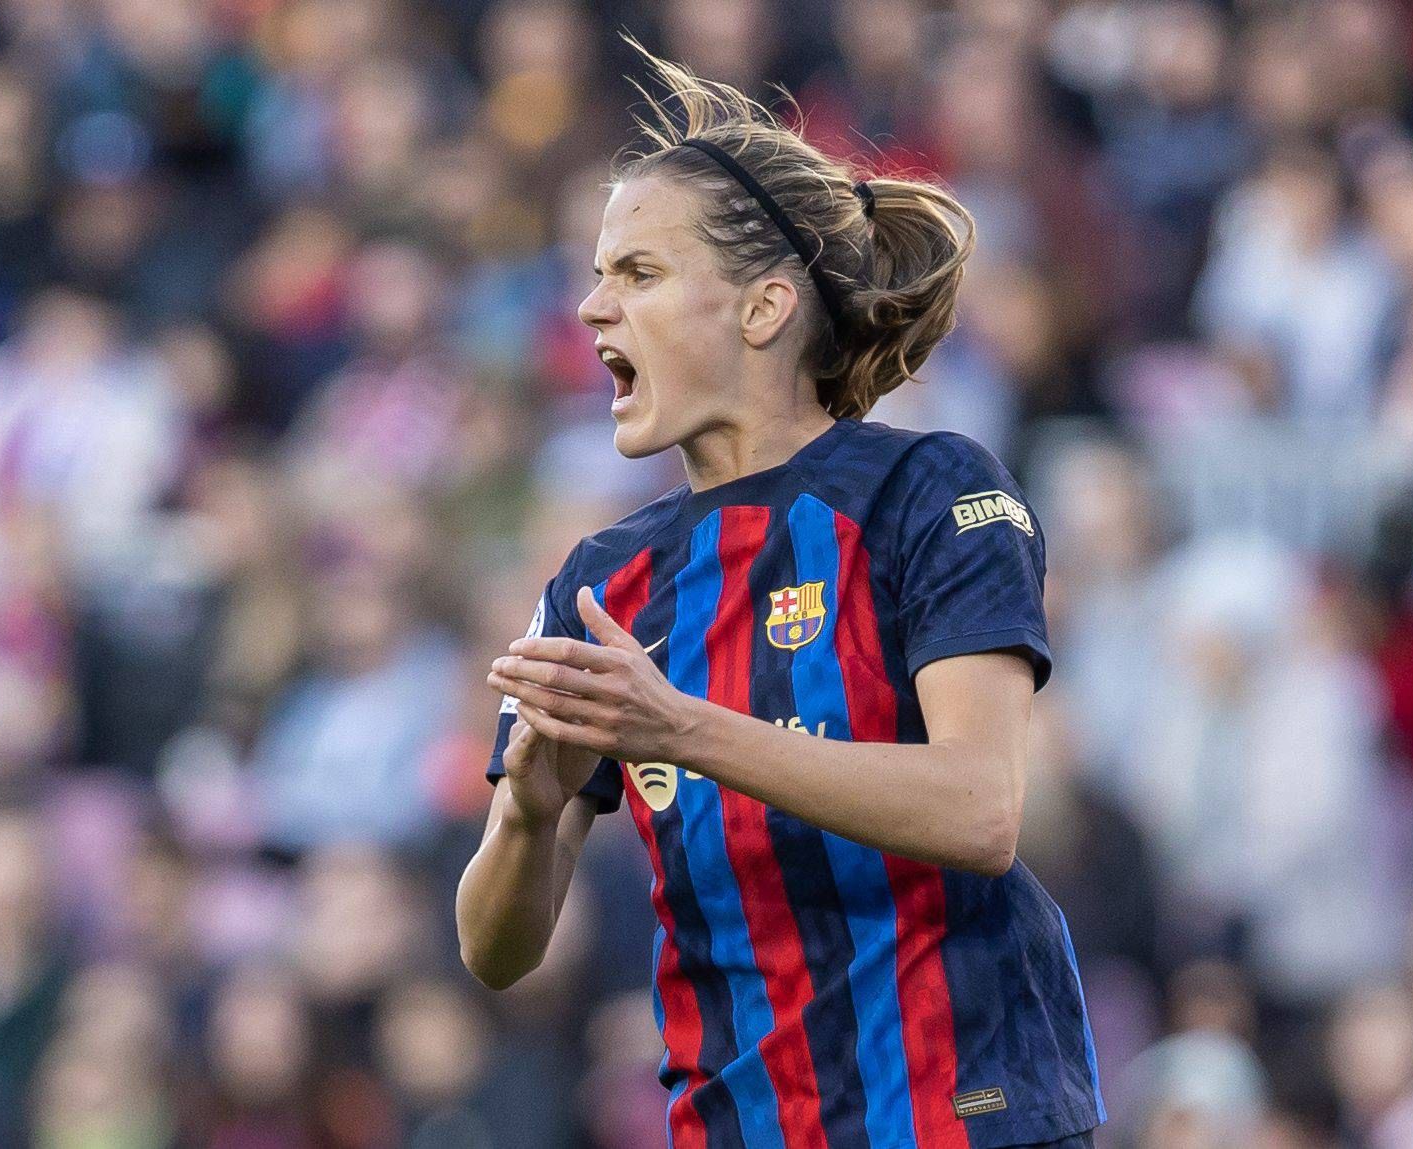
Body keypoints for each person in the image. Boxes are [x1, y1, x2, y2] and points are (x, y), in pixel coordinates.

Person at [455, 43, 1104, 1149]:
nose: (589, 307)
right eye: (594, 272)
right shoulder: (599, 581)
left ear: (762, 309)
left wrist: (678, 729)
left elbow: (978, 811)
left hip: (964, 1118)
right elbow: (497, 951)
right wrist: (524, 806)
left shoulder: (926, 488)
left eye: (637, 274)